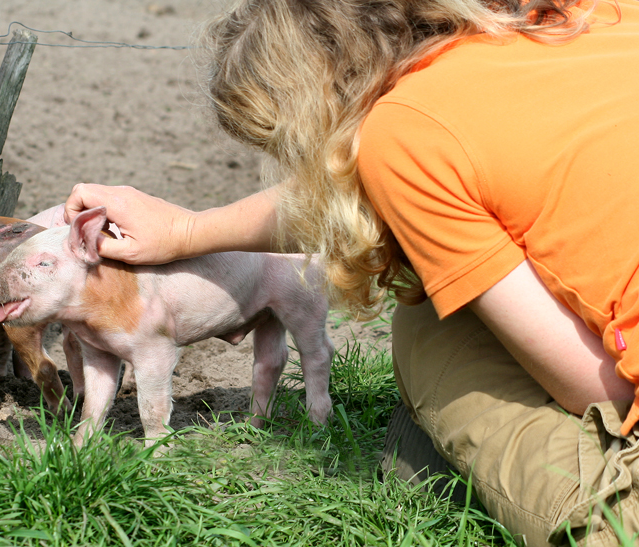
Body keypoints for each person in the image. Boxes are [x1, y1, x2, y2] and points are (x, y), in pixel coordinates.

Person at [64, 0, 639, 543]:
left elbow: (602, 388)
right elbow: (374, 176)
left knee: (431, 329)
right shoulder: (580, 16)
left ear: (313, 108)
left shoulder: (403, 134)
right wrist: (188, 232)